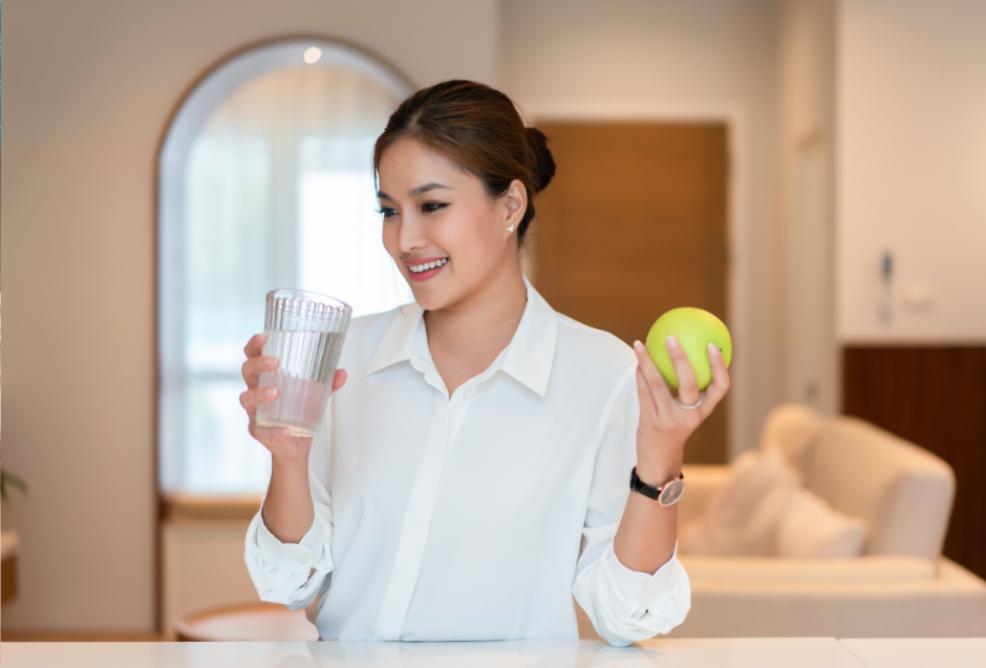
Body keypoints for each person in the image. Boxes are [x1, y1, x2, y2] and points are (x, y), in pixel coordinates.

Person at [240, 79, 731, 646]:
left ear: (511, 206)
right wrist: (288, 458)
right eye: (389, 210)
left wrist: (660, 464)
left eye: (432, 206)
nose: (404, 239)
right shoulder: (344, 356)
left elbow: (626, 618)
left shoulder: (602, 372)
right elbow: (288, 584)